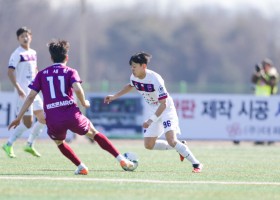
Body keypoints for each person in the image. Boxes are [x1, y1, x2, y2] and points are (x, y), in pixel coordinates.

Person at [8, 39, 135, 175]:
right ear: (66, 57)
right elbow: (78, 89)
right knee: (94, 134)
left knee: (59, 142)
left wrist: (19, 117)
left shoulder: (42, 74)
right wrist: (84, 102)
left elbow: (30, 97)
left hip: (53, 117)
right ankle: (121, 159)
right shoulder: (70, 71)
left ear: (51, 58)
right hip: (71, 114)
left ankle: (81, 167)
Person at [104, 52, 203, 173]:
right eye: (131, 66)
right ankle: (179, 146)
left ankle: (196, 164)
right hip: (153, 109)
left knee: (171, 139)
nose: (132, 69)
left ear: (143, 66)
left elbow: (163, 104)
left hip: (166, 110)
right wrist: (114, 96)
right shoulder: (133, 77)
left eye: (134, 66)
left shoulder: (155, 79)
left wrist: (150, 120)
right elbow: (130, 86)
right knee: (149, 145)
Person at [3, 27, 45, 158]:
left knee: (44, 118)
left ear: (31, 37)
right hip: (23, 93)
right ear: (18, 39)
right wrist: (18, 88)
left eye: (27, 35)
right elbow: (10, 72)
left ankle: (29, 144)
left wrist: (40, 84)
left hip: (34, 91)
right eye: (22, 36)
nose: (25, 38)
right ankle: (8, 144)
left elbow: (36, 70)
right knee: (27, 123)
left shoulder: (33, 52)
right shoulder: (17, 54)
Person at [252, 58, 279, 145]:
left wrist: (263, 75)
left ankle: (271, 139)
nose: (265, 67)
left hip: (269, 100)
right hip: (259, 100)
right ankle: (259, 139)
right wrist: (258, 73)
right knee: (259, 120)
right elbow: (253, 80)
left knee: (270, 120)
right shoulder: (260, 73)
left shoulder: (272, 73)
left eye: (266, 65)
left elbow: (271, 83)